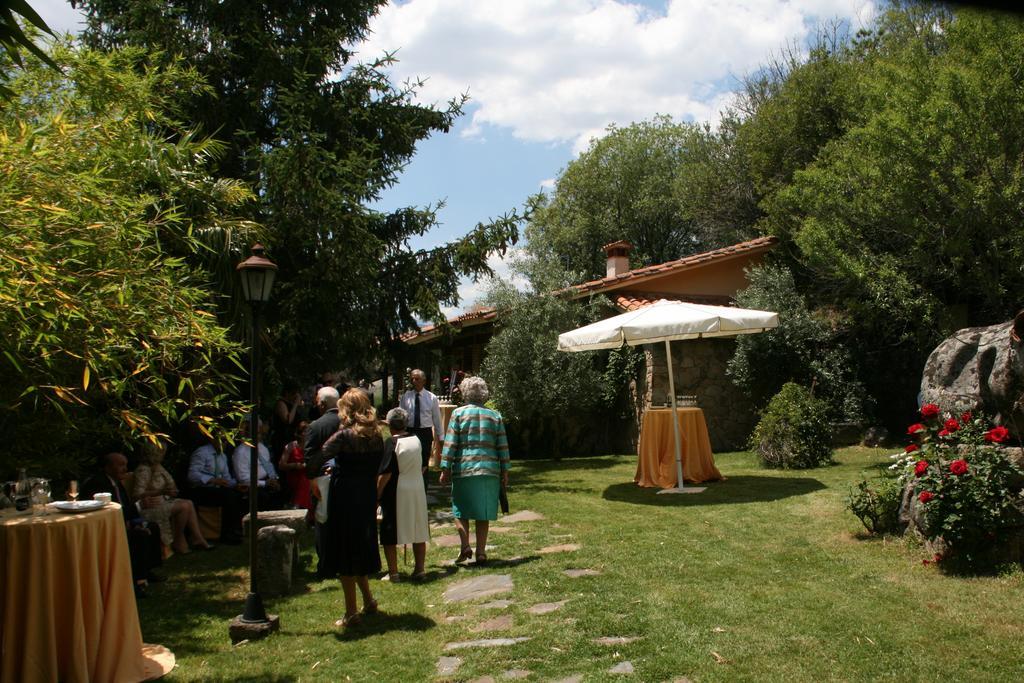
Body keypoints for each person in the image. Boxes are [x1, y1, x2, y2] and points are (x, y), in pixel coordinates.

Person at [318, 388, 385, 628]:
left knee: (345, 553)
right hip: (366, 496)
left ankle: (350, 612)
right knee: (359, 547)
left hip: (345, 496)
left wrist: (329, 469)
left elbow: (317, 457)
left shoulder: (344, 436)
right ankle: (368, 600)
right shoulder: (377, 436)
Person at [439, 376, 510, 565]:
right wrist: (505, 470)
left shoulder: (459, 414)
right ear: (484, 393)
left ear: (465, 392)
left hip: (464, 468)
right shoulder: (495, 415)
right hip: (489, 470)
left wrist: (445, 467)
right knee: (483, 512)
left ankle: (465, 546)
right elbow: (502, 445)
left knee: (460, 510)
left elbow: (451, 442)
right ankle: (481, 552)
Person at [81, 450, 165, 596]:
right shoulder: (99, 485)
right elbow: (110, 514)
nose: (125, 469)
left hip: (122, 523)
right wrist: (139, 507)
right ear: (107, 467)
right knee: (139, 537)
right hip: (106, 529)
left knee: (152, 527)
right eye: (120, 465)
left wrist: (136, 522)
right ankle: (137, 581)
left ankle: (147, 569)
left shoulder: (116, 482)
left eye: (125, 465)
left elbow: (124, 507)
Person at [377, 408, 430, 581]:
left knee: (390, 529)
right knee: (418, 526)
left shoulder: (391, 443)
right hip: (417, 486)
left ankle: (393, 572)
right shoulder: (417, 439)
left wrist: (377, 494)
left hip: (397, 489)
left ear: (390, 424)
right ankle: (420, 569)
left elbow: (386, 473)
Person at [133, 440, 214, 554]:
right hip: (150, 506)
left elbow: (170, 484)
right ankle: (179, 539)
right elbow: (137, 495)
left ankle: (197, 538)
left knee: (188, 503)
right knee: (185, 506)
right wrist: (160, 492)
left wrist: (171, 491)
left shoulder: (158, 467)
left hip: (163, 501)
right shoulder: (144, 470)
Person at [304, 385, 341, 576]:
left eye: (318, 401)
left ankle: (326, 565)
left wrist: (312, 481)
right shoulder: (349, 423)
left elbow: (310, 458)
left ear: (323, 404)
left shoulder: (315, 426)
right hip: (345, 479)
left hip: (323, 479)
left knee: (323, 521)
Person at [186, 436, 244, 544]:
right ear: (213, 439)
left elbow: (226, 479)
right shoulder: (202, 452)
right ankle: (227, 534)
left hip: (217, 489)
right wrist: (211, 480)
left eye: (226, 441)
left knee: (237, 494)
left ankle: (237, 530)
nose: (224, 443)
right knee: (228, 496)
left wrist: (236, 485)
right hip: (201, 489)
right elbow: (192, 475)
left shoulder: (222, 456)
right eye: (222, 440)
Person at [231, 418, 283, 510]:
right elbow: (243, 479)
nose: (259, 436)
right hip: (252, 486)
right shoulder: (241, 452)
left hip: (267, 481)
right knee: (262, 497)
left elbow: (269, 466)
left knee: (281, 491)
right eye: (256, 433)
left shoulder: (262, 448)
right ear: (248, 434)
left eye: (259, 433)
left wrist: (274, 479)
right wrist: (264, 483)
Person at [399, 369, 443, 472]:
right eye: (412, 379)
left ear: (423, 380)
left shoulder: (431, 398)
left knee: (423, 463)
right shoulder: (406, 396)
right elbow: (400, 416)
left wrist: (441, 437)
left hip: (425, 433)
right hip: (409, 432)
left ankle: (424, 485)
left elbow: (437, 419)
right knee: (409, 461)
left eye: (417, 379)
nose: (414, 381)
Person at [278, 420, 312, 510]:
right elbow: (281, 465)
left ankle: (301, 506)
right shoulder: (290, 446)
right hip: (294, 476)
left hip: (308, 474)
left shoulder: (312, 446)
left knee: (308, 479)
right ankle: (300, 507)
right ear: (300, 434)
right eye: (306, 431)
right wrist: (294, 465)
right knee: (304, 480)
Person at [271, 381, 304, 466]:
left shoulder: (291, 405)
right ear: (287, 393)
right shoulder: (281, 403)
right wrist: (295, 404)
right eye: (293, 394)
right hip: (282, 439)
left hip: (292, 438)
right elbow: (288, 420)